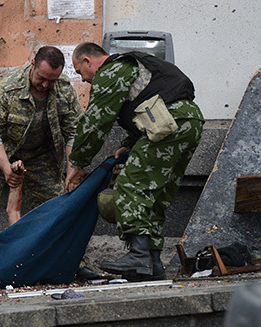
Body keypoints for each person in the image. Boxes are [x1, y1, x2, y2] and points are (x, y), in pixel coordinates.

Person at [69, 42, 205, 281]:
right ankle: (153, 265)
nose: (84, 80)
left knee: (132, 184)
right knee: (156, 193)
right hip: (189, 121)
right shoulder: (136, 64)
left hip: (168, 123)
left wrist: (78, 162)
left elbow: (96, 122)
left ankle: (139, 255)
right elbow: (150, 100)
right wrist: (130, 143)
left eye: (81, 72)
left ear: (88, 61)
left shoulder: (111, 70)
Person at [0, 46, 83, 247]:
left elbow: (73, 133)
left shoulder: (63, 89)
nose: (45, 84)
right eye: (42, 78)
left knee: (59, 204)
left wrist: (72, 171)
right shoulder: (8, 86)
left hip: (37, 154)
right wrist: (6, 169)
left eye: (51, 80)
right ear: (33, 64)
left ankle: (68, 260)